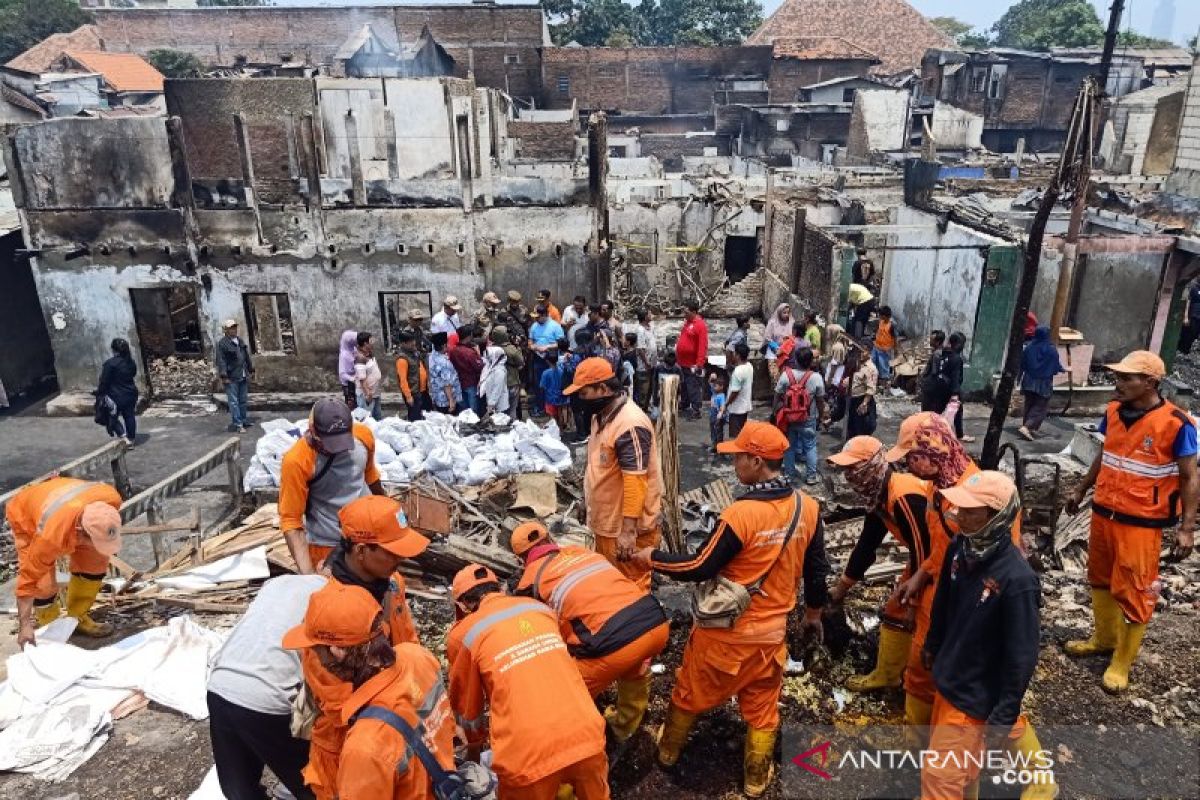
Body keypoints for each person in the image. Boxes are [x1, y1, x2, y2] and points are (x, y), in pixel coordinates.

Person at [631, 422, 829, 798]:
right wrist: (813, 615)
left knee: (690, 690)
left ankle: (669, 751)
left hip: (725, 635)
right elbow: (816, 569)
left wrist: (651, 558)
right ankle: (755, 779)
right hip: (771, 635)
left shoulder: (741, 515)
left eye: (738, 456)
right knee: (762, 703)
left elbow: (699, 566)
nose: (734, 462)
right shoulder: (809, 507)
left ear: (756, 461)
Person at [1063, 351, 1197, 693]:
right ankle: (1104, 639)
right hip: (1104, 512)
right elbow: (1104, 454)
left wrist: (1186, 527)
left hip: (1141, 523)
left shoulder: (1177, 424)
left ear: (1150, 382)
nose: (1118, 384)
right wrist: (1080, 489)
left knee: (1136, 590)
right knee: (1100, 578)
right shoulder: (1112, 412)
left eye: (1126, 379)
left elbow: (1189, 477)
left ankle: (1122, 663)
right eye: (1117, 378)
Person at [884, 412, 1022, 726]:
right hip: (942, 587)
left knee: (963, 681)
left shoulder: (981, 495)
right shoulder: (937, 486)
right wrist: (921, 575)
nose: (907, 466)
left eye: (912, 457)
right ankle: (917, 743)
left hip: (969, 598)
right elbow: (940, 546)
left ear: (933, 452)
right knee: (921, 667)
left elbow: (999, 566)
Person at [921, 471, 1053, 799]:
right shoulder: (960, 548)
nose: (959, 516)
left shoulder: (1017, 580)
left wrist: (1005, 713)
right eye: (960, 508)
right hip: (951, 678)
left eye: (970, 511)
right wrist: (933, 643)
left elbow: (1021, 655)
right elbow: (944, 602)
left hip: (974, 696)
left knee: (941, 778)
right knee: (962, 770)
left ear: (995, 517)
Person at [298, 495, 427, 798]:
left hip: (399, 729)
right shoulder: (330, 611)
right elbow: (336, 701)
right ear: (360, 550)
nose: (401, 558)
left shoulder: (392, 582)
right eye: (392, 551)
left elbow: (408, 641)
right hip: (349, 749)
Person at [446, 564, 610, 799]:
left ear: (462, 604)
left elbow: (467, 710)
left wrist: (472, 758)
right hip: (586, 733)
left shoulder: (465, 634)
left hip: (526, 754)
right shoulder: (540, 609)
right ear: (501, 588)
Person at [283, 581, 454, 800]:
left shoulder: (365, 747)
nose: (314, 657)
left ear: (337, 652)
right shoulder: (417, 656)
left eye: (316, 650)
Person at [509, 522, 669, 744]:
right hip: (654, 624)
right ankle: (625, 727)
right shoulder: (582, 552)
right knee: (635, 667)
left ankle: (582, 751)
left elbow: (545, 637)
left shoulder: (529, 584)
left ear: (521, 559)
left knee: (566, 699)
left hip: (613, 646)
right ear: (552, 541)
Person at [827, 437, 933, 699]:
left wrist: (914, 604)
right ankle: (887, 675)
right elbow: (866, 546)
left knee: (926, 626)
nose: (849, 476)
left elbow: (925, 550)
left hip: (938, 565)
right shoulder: (879, 498)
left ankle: (923, 690)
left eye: (853, 468)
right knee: (894, 611)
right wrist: (841, 590)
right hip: (923, 562)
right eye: (846, 470)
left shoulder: (904, 497)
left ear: (872, 466)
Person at [207, 574, 325, 800]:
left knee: (240, 788)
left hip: (221, 684)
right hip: (268, 696)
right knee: (312, 786)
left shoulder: (278, 581)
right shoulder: (333, 595)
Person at [565, 357, 663, 589]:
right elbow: (600, 468)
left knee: (631, 588)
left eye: (584, 393)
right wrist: (586, 501)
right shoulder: (601, 417)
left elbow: (635, 481)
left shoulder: (630, 424)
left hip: (625, 530)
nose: (580, 400)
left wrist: (628, 533)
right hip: (608, 524)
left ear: (603, 389)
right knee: (612, 586)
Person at [8, 478, 123, 648]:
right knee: (42, 585)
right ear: (79, 533)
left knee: (95, 561)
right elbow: (27, 582)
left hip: (63, 499)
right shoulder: (49, 538)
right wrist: (25, 626)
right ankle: (52, 627)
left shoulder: (112, 499)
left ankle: (77, 617)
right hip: (26, 515)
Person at [279, 398, 384, 575]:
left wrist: (387, 515)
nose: (339, 449)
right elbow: (291, 522)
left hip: (367, 540)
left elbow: (371, 477)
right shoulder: (297, 461)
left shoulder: (363, 436)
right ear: (314, 432)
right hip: (326, 546)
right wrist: (308, 577)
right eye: (332, 444)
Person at [774, 348, 827, 486]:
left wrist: (775, 412)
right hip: (808, 418)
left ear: (796, 360)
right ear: (810, 361)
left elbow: (777, 395)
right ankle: (811, 476)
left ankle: (789, 475)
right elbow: (820, 401)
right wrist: (821, 417)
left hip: (789, 418)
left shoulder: (786, 375)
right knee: (810, 446)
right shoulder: (816, 377)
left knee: (789, 446)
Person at [1018, 326, 1064, 441]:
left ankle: (1029, 427)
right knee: (1040, 407)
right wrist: (1064, 369)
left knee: (1029, 404)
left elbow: (1022, 364)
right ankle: (1027, 426)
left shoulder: (1029, 347)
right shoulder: (1051, 350)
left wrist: (1018, 379)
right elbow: (1055, 366)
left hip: (1028, 380)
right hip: (1043, 383)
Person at [98, 337, 138, 446]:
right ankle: (131, 439)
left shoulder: (110, 364)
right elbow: (133, 374)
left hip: (116, 396)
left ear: (113, 349)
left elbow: (104, 381)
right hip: (131, 393)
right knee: (129, 416)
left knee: (109, 415)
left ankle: (123, 436)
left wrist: (100, 394)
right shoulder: (130, 362)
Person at [217, 318, 254, 433]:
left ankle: (243, 420)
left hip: (242, 374)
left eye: (235, 327)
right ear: (226, 330)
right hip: (231, 376)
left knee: (243, 400)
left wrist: (251, 369)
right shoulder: (223, 344)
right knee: (233, 402)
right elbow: (221, 361)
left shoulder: (240, 341)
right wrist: (224, 376)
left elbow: (246, 356)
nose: (234, 330)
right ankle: (238, 424)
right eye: (231, 328)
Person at [528, 305, 565, 415]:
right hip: (538, 358)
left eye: (538, 317)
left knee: (553, 384)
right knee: (539, 384)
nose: (536, 319)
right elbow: (530, 341)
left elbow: (561, 344)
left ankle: (554, 409)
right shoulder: (534, 326)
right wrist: (533, 347)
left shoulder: (555, 326)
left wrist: (547, 347)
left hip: (551, 359)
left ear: (544, 315)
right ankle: (540, 408)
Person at [675, 300, 709, 419]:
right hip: (682, 362)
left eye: (687, 312)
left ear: (694, 312)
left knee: (693, 386)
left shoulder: (700, 325)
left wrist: (699, 363)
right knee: (684, 385)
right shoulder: (687, 323)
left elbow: (702, 345)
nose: (684, 314)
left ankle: (696, 410)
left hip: (692, 364)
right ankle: (684, 404)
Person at [448, 323, 484, 414]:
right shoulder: (470, 353)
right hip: (471, 382)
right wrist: (478, 354)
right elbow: (479, 367)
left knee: (464, 410)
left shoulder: (453, 351)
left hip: (459, 383)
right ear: (469, 336)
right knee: (473, 411)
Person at [394, 331, 428, 422]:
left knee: (420, 415)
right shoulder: (402, 359)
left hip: (419, 390)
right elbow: (403, 380)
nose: (414, 344)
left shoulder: (413, 353)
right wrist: (408, 397)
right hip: (412, 393)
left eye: (413, 341)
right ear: (403, 343)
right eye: (411, 343)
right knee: (415, 419)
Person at [426, 331, 463, 415]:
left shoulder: (431, 356)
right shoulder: (444, 362)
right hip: (446, 400)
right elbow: (447, 384)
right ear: (443, 346)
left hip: (437, 396)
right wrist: (451, 401)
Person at [846, 347, 878, 438]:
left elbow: (871, 388)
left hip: (862, 400)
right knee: (851, 427)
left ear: (869, 352)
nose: (860, 354)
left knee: (862, 428)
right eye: (859, 351)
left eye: (863, 351)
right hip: (852, 399)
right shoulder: (857, 363)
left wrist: (864, 403)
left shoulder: (871, 368)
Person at [725, 343, 754, 439]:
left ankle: (736, 454)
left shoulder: (738, 372)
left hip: (737, 408)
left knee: (735, 437)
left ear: (737, 355)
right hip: (745, 406)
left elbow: (735, 392)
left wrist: (726, 404)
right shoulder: (749, 366)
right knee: (741, 435)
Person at [352, 331, 383, 421]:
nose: (373, 342)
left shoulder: (369, 354)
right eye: (371, 340)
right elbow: (362, 378)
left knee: (377, 418)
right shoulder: (360, 358)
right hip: (367, 395)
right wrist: (368, 393)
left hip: (375, 393)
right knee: (367, 419)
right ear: (365, 343)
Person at [479, 330, 510, 416]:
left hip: (499, 406)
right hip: (492, 403)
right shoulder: (491, 366)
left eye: (490, 355)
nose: (488, 357)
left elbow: (497, 388)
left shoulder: (500, 371)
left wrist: (491, 404)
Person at [633, 308, 658, 409]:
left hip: (652, 364)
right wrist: (646, 362)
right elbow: (640, 348)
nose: (651, 315)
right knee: (644, 389)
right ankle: (642, 409)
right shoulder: (640, 330)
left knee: (650, 388)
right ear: (644, 317)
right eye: (649, 313)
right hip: (644, 366)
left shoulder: (650, 328)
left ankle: (646, 407)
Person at [539, 349, 570, 427]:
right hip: (562, 397)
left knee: (553, 418)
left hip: (550, 398)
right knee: (561, 414)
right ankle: (563, 427)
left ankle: (557, 430)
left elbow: (542, 386)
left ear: (547, 361)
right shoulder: (562, 370)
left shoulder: (545, 373)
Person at [919, 330, 948, 412]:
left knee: (926, 413)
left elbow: (934, 373)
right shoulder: (943, 352)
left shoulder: (936, 354)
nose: (930, 341)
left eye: (932, 339)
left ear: (938, 342)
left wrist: (925, 381)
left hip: (931, 390)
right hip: (936, 390)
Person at [502, 324, 526, 420]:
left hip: (505, 381)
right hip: (512, 380)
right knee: (513, 407)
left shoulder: (493, 348)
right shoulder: (513, 350)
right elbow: (521, 364)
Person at [763, 303, 792, 381]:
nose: (786, 315)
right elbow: (767, 338)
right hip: (773, 351)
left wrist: (785, 345)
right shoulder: (772, 323)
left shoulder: (791, 323)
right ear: (779, 313)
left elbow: (792, 337)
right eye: (784, 313)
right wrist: (776, 347)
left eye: (788, 313)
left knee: (786, 377)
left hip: (786, 352)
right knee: (774, 375)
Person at [872, 305, 897, 384]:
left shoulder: (892, 325)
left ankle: (884, 382)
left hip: (885, 350)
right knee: (873, 363)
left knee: (883, 367)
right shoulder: (881, 322)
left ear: (885, 316)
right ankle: (875, 379)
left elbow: (895, 337)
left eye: (881, 315)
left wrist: (895, 349)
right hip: (876, 347)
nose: (880, 316)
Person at [338, 330, 358, 407]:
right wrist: (352, 379)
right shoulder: (344, 355)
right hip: (349, 385)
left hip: (356, 381)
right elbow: (342, 374)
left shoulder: (353, 349)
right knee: (351, 405)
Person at [708, 373, 728, 453]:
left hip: (718, 417)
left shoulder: (721, 396)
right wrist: (711, 377)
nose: (714, 387)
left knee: (718, 432)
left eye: (715, 386)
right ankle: (714, 446)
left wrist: (721, 413)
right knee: (713, 431)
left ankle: (719, 447)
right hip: (712, 416)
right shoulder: (714, 393)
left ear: (721, 387)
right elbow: (710, 383)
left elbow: (723, 405)